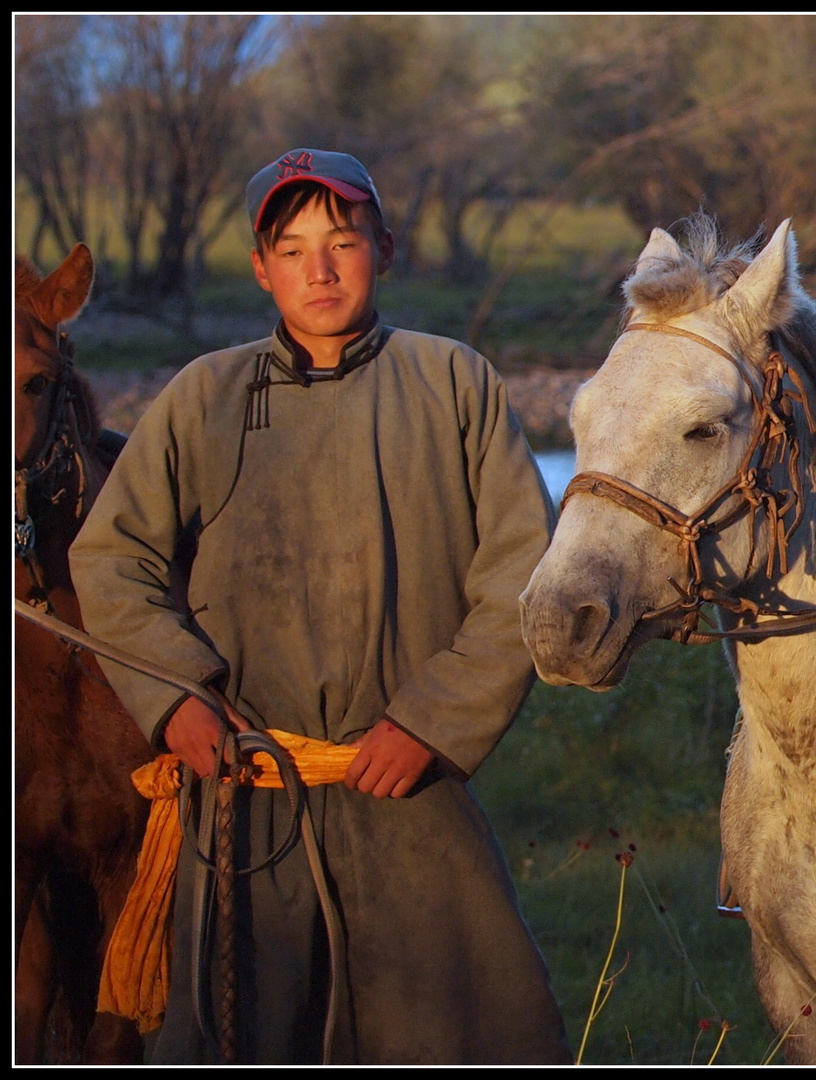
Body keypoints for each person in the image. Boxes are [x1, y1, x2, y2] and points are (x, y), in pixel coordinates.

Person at [70, 149, 566, 1063]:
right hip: (242, 798)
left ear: (385, 244)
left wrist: (433, 721)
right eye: (292, 251)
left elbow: (522, 574)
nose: (321, 270)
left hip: (406, 784)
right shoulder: (201, 398)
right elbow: (112, 559)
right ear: (262, 270)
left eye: (342, 242)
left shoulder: (455, 384)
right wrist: (174, 696)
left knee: (476, 1030)